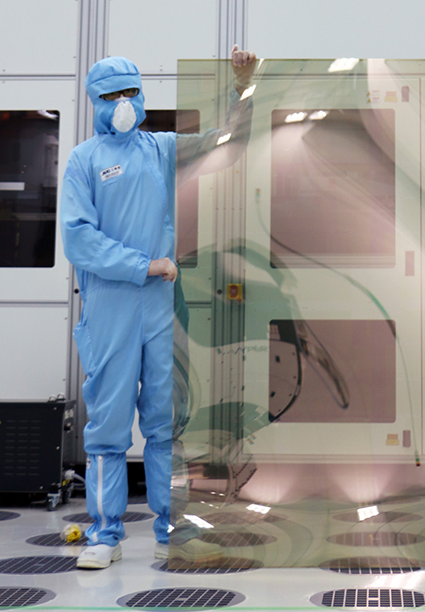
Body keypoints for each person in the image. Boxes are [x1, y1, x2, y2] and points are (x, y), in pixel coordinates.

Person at [61, 47, 256, 569]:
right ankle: (105, 534)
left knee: (166, 422)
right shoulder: (84, 161)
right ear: (96, 101)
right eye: (113, 95)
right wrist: (144, 265)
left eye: (131, 92)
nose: (124, 102)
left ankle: (172, 529)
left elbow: (226, 143)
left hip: (162, 308)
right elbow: (78, 240)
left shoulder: (160, 148)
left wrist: (243, 89)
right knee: (107, 425)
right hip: (111, 308)